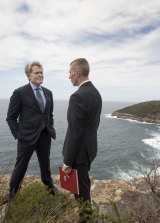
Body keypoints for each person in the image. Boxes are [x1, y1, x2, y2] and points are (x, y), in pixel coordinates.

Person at [6, 61, 56, 200]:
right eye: (37, 73)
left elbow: (49, 114)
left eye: (41, 72)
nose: (40, 75)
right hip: (26, 138)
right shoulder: (20, 93)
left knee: (45, 165)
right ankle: (13, 193)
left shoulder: (48, 93)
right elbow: (11, 118)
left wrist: (49, 127)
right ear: (29, 76)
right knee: (20, 167)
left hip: (45, 135)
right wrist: (19, 135)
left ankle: (50, 189)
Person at [62, 58, 102, 220]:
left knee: (81, 193)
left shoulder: (77, 97)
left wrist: (67, 161)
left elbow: (75, 132)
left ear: (77, 73)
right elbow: (93, 125)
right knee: (83, 187)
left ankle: (86, 219)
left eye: (70, 72)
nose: (69, 76)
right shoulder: (96, 93)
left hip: (78, 154)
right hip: (89, 150)